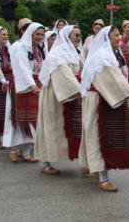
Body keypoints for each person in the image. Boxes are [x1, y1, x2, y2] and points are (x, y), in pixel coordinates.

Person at [79, 25, 129, 192]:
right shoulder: (103, 57)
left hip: (106, 97)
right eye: (116, 35)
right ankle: (103, 178)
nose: (119, 38)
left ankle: (90, 166)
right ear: (107, 38)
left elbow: (120, 77)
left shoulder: (111, 54)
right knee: (101, 137)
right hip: (100, 101)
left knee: (93, 135)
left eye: (119, 35)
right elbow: (116, 80)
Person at [34, 25, 83, 175]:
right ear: (67, 37)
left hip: (66, 92)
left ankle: (83, 161)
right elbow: (65, 74)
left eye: (80, 35)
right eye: (76, 35)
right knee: (51, 127)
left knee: (68, 129)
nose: (79, 38)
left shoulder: (72, 52)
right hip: (54, 95)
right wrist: (81, 91)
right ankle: (45, 163)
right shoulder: (58, 55)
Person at [4, 22, 46, 164]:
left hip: (34, 84)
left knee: (32, 120)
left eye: (41, 34)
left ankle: (27, 152)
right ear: (30, 34)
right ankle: (15, 150)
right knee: (19, 120)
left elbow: (41, 67)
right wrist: (31, 85)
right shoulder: (20, 47)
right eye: (37, 34)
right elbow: (22, 68)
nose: (40, 37)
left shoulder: (38, 49)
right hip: (22, 85)